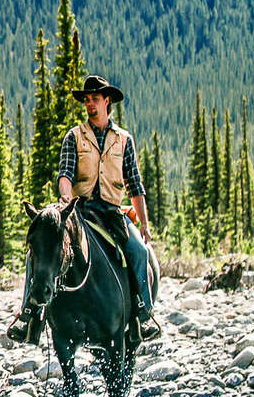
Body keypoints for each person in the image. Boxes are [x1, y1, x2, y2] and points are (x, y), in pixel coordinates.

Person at [9, 74, 161, 344]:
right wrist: (66, 199)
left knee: (139, 251)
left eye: (94, 99)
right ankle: (29, 314)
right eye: (87, 100)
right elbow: (65, 173)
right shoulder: (74, 137)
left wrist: (145, 224)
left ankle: (143, 314)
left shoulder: (123, 140)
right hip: (80, 211)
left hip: (113, 212)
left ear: (107, 101)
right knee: (39, 250)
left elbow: (135, 184)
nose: (90, 104)